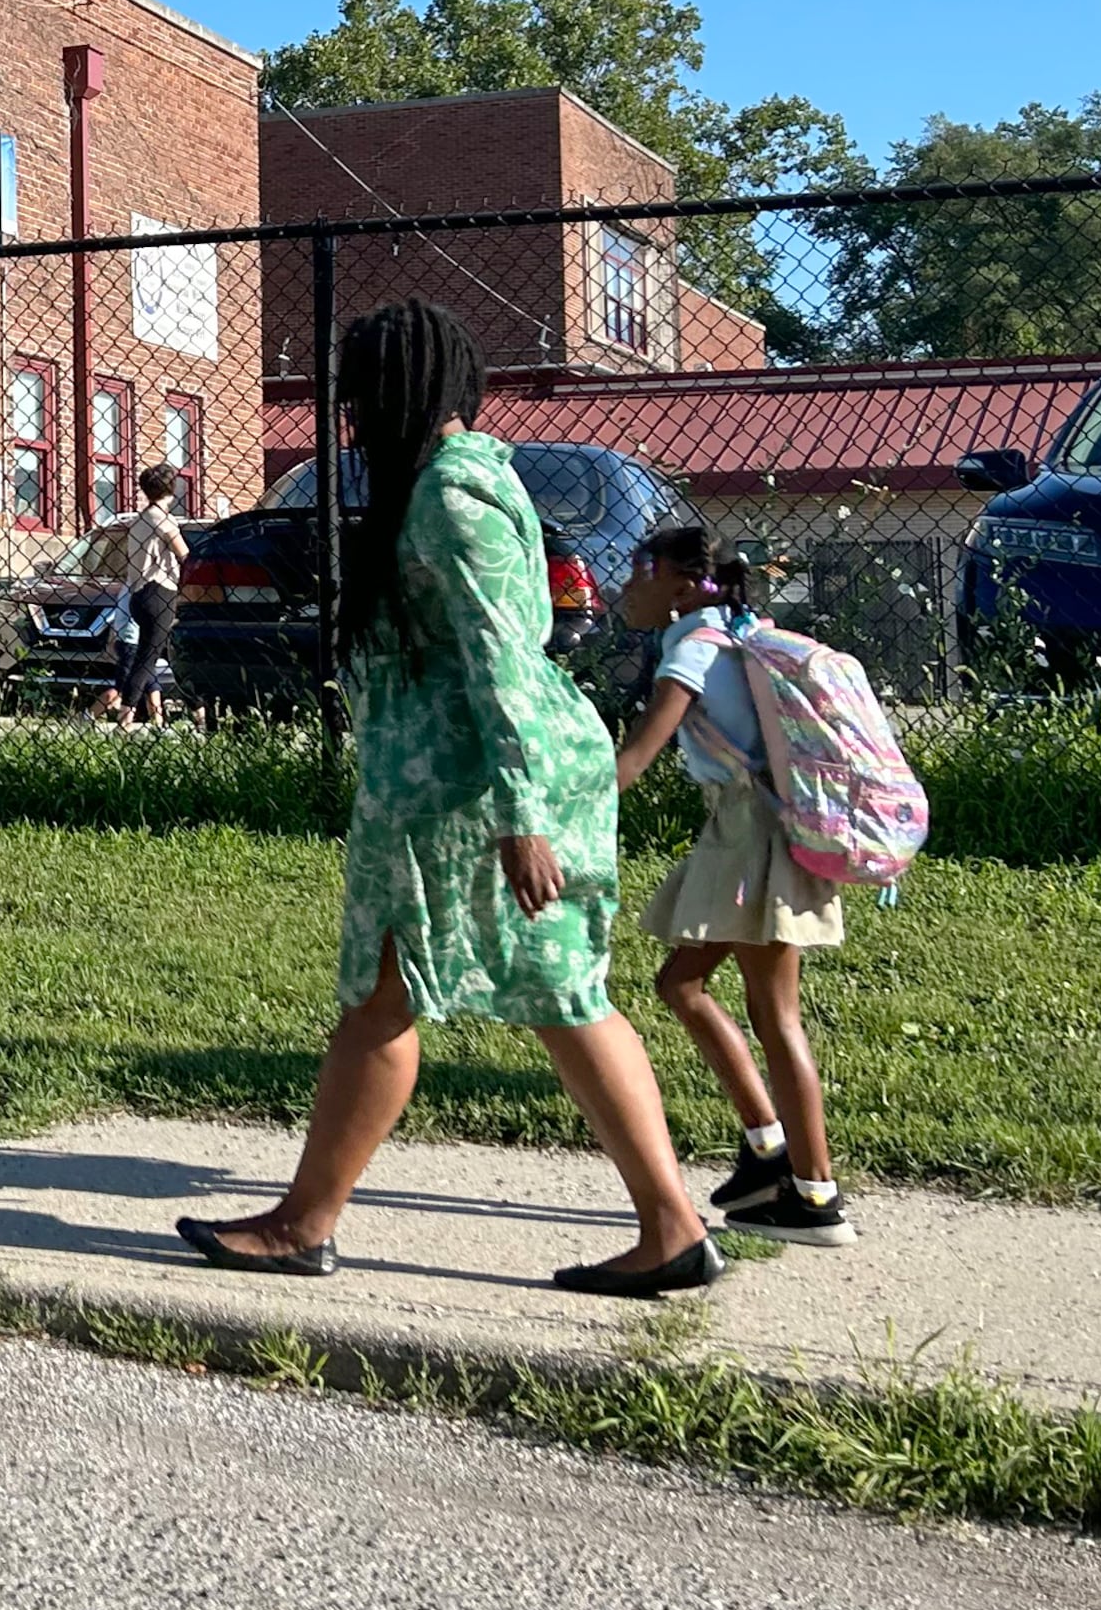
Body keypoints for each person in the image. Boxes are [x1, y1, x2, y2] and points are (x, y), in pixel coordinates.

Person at [176, 300, 719, 1296]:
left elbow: (500, 656)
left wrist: (520, 813)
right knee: (544, 995)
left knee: (398, 990)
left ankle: (306, 1223)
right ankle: (671, 1225)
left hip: (466, 783)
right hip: (468, 775)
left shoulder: (449, 502)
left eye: (357, 396)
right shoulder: (467, 482)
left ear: (394, 394)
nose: (349, 417)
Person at [612, 525, 857, 1247]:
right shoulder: (736, 630)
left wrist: (559, 811)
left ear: (683, 585)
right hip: (744, 833)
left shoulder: (691, 650)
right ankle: (765, 1147)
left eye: (640, 571)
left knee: (776, 1015)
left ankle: (814, 1197)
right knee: (680, 986)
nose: (628, 586)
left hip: (755, 840)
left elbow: (635, 759)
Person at [110, 463, 189, 724]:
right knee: (149, 657)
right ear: (172, 489)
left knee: (149, 653)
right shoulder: (164, 520)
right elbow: (185, 554)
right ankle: (126, 716)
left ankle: (145, 714)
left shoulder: (139, 520)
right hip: (161, 592)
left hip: (138, 593)